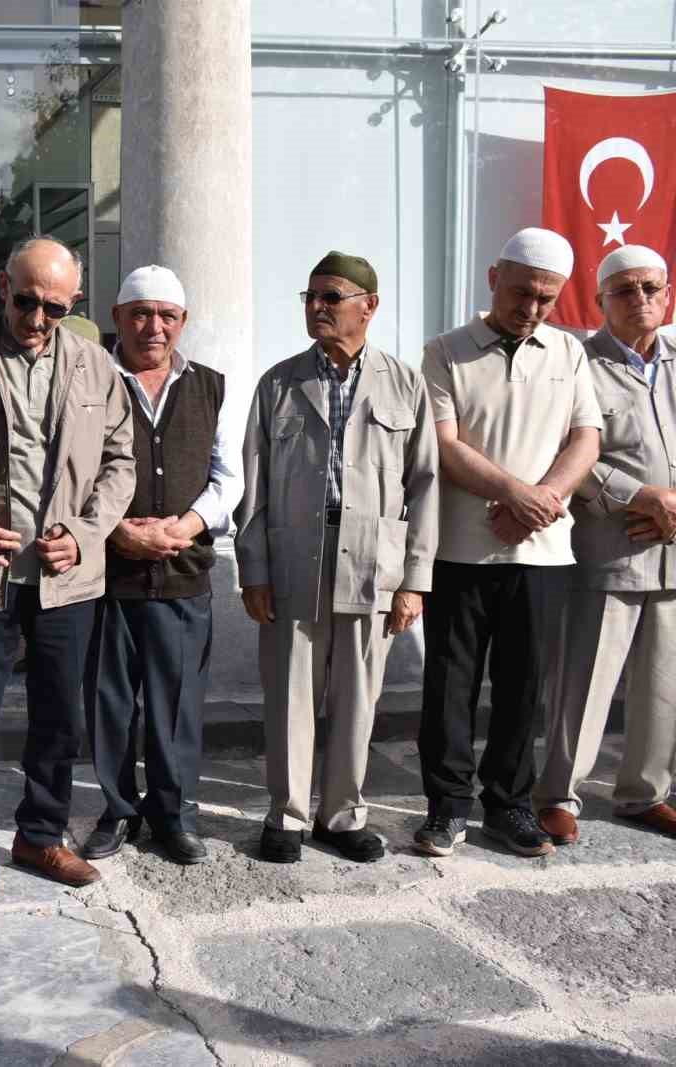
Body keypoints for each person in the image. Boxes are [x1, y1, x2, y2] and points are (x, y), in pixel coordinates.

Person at [0, 236, 134, 906]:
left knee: (61, 714)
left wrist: (83, 535)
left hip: (66, 577)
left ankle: (41, 832)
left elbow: (121, 462)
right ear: (3, 285)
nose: (37, 318)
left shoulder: (94, 364)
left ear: (73, 301)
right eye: (26, 301)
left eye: (54, 306)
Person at [236, 251, 438, 864]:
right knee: (290, 691)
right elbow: (255, 484)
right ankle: (288, 814)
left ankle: (344, 815)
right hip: (294, 554)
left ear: (368, 307)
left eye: (331, 297)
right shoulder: (279, 382)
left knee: (358, 695)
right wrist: (254, 570)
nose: (317, 308)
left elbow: (426, 482)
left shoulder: (405, 383)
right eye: (311, 297)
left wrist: (415, 580)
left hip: (372, 562)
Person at [415, 227, 601, 858]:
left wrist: (540, 500)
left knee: (524, 687)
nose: (531, 309)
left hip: (544, 554)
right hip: (460, 552)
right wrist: (516, 494)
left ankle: (509, 807)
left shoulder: (569, 354)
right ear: (494, 277)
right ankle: (445, 809)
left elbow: (586, 441)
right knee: (450, 687)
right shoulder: (444, 351)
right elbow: (443, 444)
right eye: (521, 293)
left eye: (546, 300)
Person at [82, 265, 242, 867]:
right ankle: (119, 810)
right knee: (111, 701)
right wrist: (115, 531)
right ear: (118, 317)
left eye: (166, 316)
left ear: (183, 322)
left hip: (182, 571)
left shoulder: (211, 387)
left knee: (178, 702)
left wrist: (188, 525)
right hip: (106, 575)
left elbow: (229, 477)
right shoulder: (88, 378)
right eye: (140, 314)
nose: (154, 327)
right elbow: (67, 470)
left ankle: (176, 814)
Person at [536, 245, 676, 843]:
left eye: (651, 287)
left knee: (663, 685)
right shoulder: (578, 363)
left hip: (673, 550)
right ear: (600, 301)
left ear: (667, 293)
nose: (640, 298)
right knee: (585, 683)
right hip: (609, 546)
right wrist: (636, 495)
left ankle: (644, 793)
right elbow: (562, 449)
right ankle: (558, 793)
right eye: (625, 290)